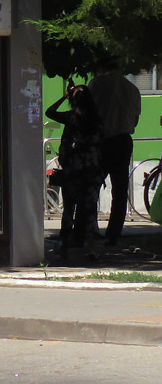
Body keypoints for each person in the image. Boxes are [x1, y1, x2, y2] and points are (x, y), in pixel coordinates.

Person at [46, 84, 104, 258]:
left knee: (69, 207)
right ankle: (91, 247)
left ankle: (63, 244)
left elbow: (50, 112)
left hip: (73, 169)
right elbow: (102, 144)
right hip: (92, 169)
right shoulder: (97, 119)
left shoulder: (71, 118)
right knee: (90, 209)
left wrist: (64, 96)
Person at [89, 60, 141, 246]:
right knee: (119, 190)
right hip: (123, 141)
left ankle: (88, 231)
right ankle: (113, 235)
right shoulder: (132, 88)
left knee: (91, 187)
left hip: (101, 141)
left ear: (102, 67)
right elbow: (135, 120)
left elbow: (87, 112)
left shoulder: (96, 84)